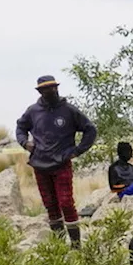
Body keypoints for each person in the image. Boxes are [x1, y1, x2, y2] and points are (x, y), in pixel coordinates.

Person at [15, 75, 98, 248]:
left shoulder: (69, 110)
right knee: (50, 205)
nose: (50, 90)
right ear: (40, 91)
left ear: (57, 88)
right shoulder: (32, 111)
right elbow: (21, 127)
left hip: (61, 164)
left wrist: (77, 151)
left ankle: (76, 246)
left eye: (52, 87)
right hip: (40, 164)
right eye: (45, 88)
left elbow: (90, 130)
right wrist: (25, 143)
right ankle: (59, 246)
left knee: (66, 203)